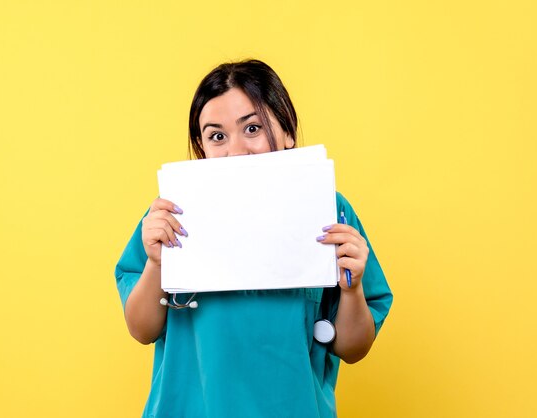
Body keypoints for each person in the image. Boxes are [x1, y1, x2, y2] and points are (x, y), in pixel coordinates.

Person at [115, 59, 393, 418]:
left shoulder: (327, 209)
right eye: (217, 136)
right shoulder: (173, 214)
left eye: (253, 128)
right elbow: (141, 328)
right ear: (202, 148)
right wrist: (156, 263)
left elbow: (353, 348)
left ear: (288, 130)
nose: (236, 150)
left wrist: (352, 289)